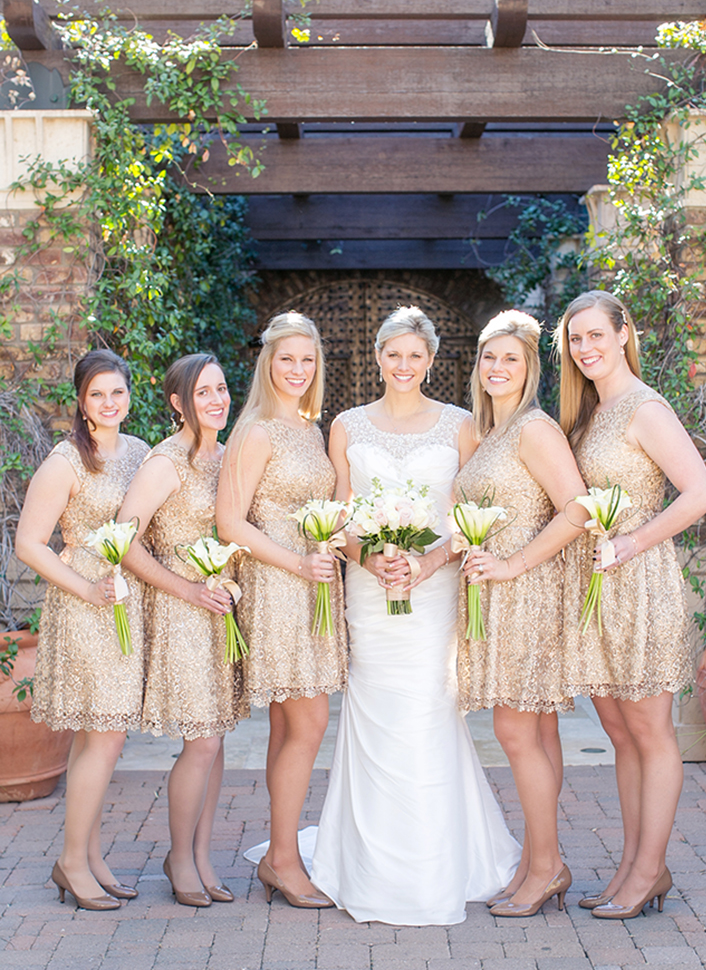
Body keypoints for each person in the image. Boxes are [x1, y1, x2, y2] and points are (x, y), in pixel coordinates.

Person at [311, 305, 521, 926]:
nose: (403, 365)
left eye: (415, 355)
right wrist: (369, 559)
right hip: (369, 591)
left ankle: (436, 862)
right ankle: (366, 860)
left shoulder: (461, 425)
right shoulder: (347, 425)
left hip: (432, 591)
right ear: (377, 357)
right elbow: (339, 514)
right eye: (392, 354)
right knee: (374, 712)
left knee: (429, 710)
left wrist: (425, 564)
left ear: (432, 361)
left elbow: (468, 516)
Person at [556, 290, 706, 919]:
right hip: (597, 587)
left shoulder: (646, 407)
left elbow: (699, 492)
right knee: (620, 733)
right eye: (576, 339)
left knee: (651, 732)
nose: (586, 348)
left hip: (641, 581)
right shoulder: (590, 412)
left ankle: (649, 870)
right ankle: (632, 864)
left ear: (624, 334)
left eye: (596, 335)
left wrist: (631, 542)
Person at [456, 310, 589, 918]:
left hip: (530, 596)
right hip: (497, 598)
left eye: (511, 358)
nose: (497, 368)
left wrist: (512, 565)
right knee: (534, 732)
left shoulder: (535, 429)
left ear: (531, 368)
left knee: (515, 731)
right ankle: (544, 862)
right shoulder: (494, 432)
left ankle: (544, 869)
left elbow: (577, 509)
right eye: (489, 357)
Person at [215, 311, 347, 910]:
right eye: (286, 358)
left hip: (314, 581)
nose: (297, 370)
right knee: (310, 722)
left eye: (307, 360)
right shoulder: (257, 430)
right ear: (267, 362)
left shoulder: (307, 427)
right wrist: (297, 564)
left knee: (290, 724)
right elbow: (231, 521)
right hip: (277, 584)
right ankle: (285, 860)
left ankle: (279, 851)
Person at [16, 349, 148, 910]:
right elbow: (29, 543)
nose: (109, 403)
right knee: (107, 731)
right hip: (85, 602)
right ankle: (72, 861)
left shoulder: (141, 453)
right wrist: (86, 587)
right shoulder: (67, 461)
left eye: (117, 392)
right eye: (98, 394)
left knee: (99, 735)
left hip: (126, 600)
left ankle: (88, 858)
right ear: (81, 402)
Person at [118, 353, 246, 907]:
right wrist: (187, 589)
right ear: (178, 403)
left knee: (216, 742)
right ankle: (178, 856)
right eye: (203, 393)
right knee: (203, 741)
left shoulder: (229, 456)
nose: (217, 400)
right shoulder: (165, 463)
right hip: (184, 611)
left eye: (221, 389)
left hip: (224, 613)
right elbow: (122, 541)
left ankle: (201, 855)